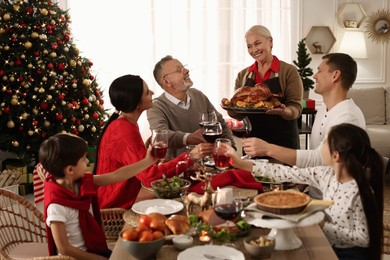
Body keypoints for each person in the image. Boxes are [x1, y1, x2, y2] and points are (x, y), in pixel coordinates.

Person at [226, 123, 383, 260]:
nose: (321, 146)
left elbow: (364, 238)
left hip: (349, 255)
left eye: (326, 143)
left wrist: (323, 225)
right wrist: (240, 163)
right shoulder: (326, 175)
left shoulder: (359, 192)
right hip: (329, 243)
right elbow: (283, 172)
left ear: (336, 156)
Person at [93, 74, 212, 209]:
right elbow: (149, 178)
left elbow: (130, 161)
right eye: (147, 92)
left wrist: (145, 151)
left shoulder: (124, 123)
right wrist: (191, 156)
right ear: (137, 103)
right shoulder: (124, 130)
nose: (152, 93)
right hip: (115, 207)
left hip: (122, 198)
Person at [40, 133, 159, 259]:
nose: (87, 161)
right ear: (70, 170)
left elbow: (116, 175)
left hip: (96, 249)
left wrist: (148, 161)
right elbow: (64, 249)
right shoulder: (56, 206)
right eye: (84, 159)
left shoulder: (80, 181)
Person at [242, 53, 366, 167]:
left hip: (331, 191)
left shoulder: (348, 117)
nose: (315, 76)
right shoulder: (324, 109)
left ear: (335, 75)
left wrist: (267, 149)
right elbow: (314, 160)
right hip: (314, 188)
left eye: (319, 71)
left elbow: (320, 158)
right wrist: (298, 186)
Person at [228, 25, 303, 150]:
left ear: (270, 41)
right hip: (253, 143)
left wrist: (284, 111)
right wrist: (231, 111)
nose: (254, 49)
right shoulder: (243, 75)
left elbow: (296, 107)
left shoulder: (289, 71)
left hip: (283, 143)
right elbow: (239, 111)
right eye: (249, 46)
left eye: (257, 43)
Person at [147, 55, 235, 158]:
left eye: (184, 67)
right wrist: (189, 138)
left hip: (209, 166)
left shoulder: (198, 95)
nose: (186, 71)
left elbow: (220, 124)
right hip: (178, 169)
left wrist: (232, 148)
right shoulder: (156, 106)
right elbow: (161, 135)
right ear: (166, 81)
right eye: (179, 70)